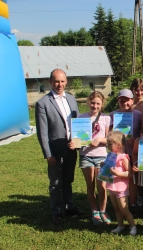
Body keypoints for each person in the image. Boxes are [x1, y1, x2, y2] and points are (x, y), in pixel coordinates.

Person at [35, 69, 84, 225]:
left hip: (71, 148)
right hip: (55, 150)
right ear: (50, 82)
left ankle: (69, 207)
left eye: (62, 81)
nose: (60, 84)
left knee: (68, 179)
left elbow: (78, 125)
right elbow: (42, 132)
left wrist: (79, 142)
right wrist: (48, 154)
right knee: (56, 183)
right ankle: (56, 211)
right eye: (56, 81)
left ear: (66, 81)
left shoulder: (71, 99)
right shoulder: (42, 103)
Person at [68, 91, 111, 225]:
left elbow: (109, 139)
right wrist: (73, 143)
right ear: (88, 102)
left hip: (101, 156)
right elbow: (77, 139)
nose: (95, 106)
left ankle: (103, 211)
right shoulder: (81, 118)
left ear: (102, 104)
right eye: (93, 103)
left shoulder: (106, 118)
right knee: (90, 185)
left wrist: (99, 140)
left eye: (98, 103)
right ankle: (94, 212)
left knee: (102, 186)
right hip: (86, 156)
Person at [109, 89, 142, 217]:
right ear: (118, 101)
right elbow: (109, 133)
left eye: (127, 100)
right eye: (121, 100)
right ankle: (121, 203)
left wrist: (137, 138)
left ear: (132, 101)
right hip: (118, 154)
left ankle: (132, 204)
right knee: (119, 178)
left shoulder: (138, 114)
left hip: (133, 152)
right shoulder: (112, 115)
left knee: (132, 178)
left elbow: (141, 131)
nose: (124, 103)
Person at [105, 131, 137, 236]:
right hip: (111, 186)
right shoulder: (110, 155)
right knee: (116, 209)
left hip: (121, 188)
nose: (108, 146)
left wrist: (117, 173)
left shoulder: (123, 157)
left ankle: (133, 226)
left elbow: (129, 173)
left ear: (118, 145)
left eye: (110, 144)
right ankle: (120, 226)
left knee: (124, 210)